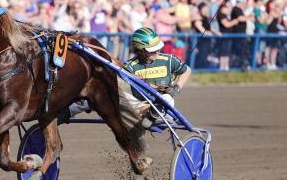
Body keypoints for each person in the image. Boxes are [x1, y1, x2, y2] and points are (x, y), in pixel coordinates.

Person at [62, 27, 191, 128]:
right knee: (99, 93)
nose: (157, 52)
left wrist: (176, 88)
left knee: (167, 98)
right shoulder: (129, 66)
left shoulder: (169, 60)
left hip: (165, 104)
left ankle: (155, 113)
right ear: (140, 50)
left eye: (157, 49)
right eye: (152, 50)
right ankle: (67, 112)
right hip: (139, 106)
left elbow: (187, 71)